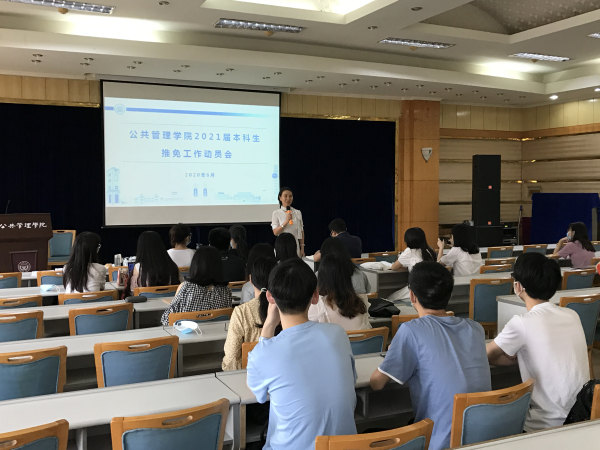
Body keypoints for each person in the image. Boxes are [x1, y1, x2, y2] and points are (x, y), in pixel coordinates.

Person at [370, 261, 491, 450]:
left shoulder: (411, 330)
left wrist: (394, 353)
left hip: (440, 442)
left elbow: (377, 384)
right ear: (450, 295)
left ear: (412, 295)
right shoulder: (476, 329)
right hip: (484, 438)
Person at [247, 259, 357, 450]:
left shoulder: (264, 353)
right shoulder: (338, 334)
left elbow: (259, 395)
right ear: (315, 296)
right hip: (346, 446)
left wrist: (269, 325)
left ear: (270, 297)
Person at [487, 252, 589, 431]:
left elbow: (487, 355)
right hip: (584, 413)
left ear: (518, 286)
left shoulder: (521, 323)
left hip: (548, 423)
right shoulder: (572, 314)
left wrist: (513, 359)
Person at [222, 256, 278, 371]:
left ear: (251, 279)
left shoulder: (241, 312)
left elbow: (231, 360)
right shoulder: (286, 308)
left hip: (247, 375)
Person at [161, 246, 232, 325]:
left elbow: (166, 319)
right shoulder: (226, 291)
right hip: (218, 331)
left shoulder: (186, 287)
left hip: (189, 331)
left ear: (195, 264)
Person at [309, 254, 371, 330]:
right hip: (359, 337)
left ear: (321, 277)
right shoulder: (360, 303)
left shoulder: (318, 304)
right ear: (348, 278)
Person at [389, 227, 437, 299]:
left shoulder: (410, 251)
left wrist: (407, 268)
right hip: (432, 288)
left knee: (390, 298)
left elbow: (394, 267)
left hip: (417, 290)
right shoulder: (430, 250)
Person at [128, 231, 181, 295]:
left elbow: (133, 292)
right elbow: (181, 288)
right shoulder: (172, 266)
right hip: (170, 301)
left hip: (146, 301)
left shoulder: (138, 267)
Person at [271, 187, 305, 257]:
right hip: (282, 246)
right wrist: (286, 222)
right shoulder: (276, 213)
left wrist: (302, 248)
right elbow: (275, 232)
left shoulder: (297, 212)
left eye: (290, 196)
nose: (288, 198)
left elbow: (301, 231)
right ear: (280, 198)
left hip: (295, 246)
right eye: (285, 196)